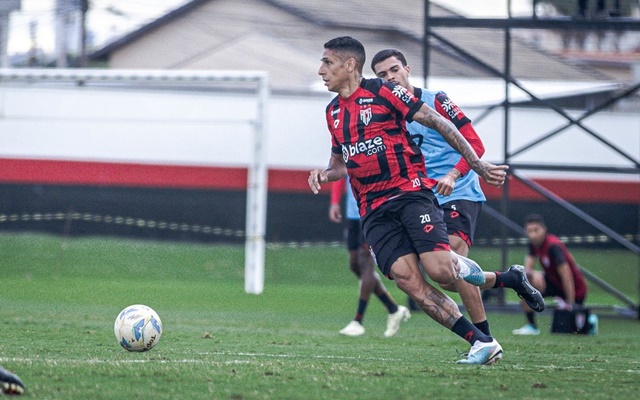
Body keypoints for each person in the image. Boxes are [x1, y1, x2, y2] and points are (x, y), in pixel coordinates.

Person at [310, 36, 509, 365]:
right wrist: (324, 174)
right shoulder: (332, 112)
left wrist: (475, 165)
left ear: (349, 65)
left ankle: (503, 278)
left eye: (327, 63)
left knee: (441, 272)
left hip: (409, 194)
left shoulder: (386, 92)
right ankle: (481, 343)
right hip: (372, 210)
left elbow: (440, 122)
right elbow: (340, 165)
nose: (321, 71)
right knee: (407, 280)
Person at [370, 48, 546, 341]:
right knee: (448, 275)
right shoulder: (386, 114)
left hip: (459, 190)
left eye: (394, 70)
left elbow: (475, 144)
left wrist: (453, 174)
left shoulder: (436, 100)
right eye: (383, 75)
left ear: (408, 69)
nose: (391, 78)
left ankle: (484, 341)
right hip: (422, 197)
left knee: (450, 256)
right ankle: (509, 279)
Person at [330, 177, 410, 337]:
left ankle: (358, 321)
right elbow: (338, 170)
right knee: (354, 265)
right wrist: (334, 202)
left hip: (373, 211)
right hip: (353, 213)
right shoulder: (344, 151)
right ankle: (393, 309)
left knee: (365, 261)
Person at [513, 213, 591, 335]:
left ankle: (590, 322)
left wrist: (570, 304)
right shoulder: (534, 244)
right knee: (524, 283)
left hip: (575, 290)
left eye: (535, 230)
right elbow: (527, 271)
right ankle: (532, 326)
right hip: (555, 283)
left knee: (574, 326)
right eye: (529, 231)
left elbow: (567, 276)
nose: (532, 234)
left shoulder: (553, 246)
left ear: (544, 229)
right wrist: (532, 277)